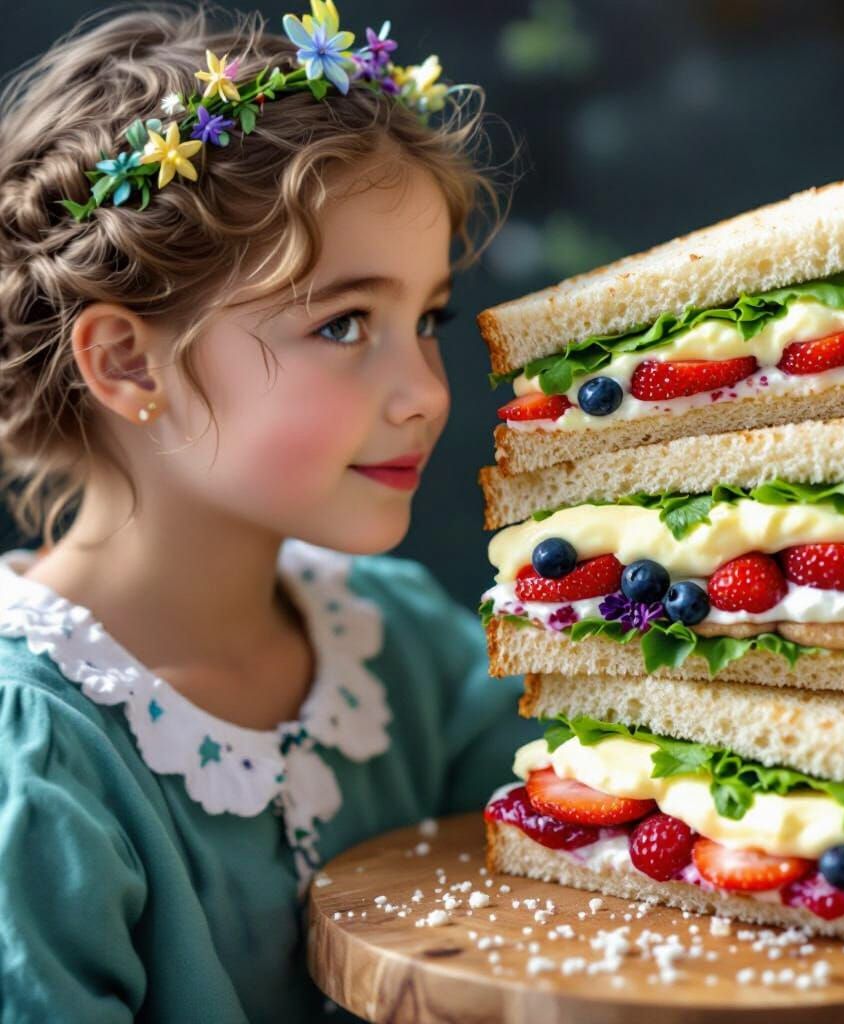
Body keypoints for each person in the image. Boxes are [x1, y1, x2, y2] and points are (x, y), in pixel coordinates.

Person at [0, 4, 536, 1020]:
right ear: (125, 361)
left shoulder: (401, 643)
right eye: (343, 324)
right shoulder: (33, 757)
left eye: (426, 321)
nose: (424, 389)